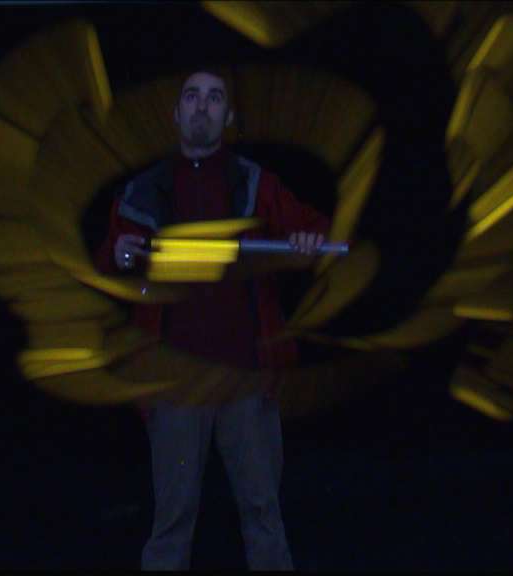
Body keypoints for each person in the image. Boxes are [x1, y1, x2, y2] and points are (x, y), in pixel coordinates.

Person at [94, 69, 330, 571]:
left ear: (228, 116)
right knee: (172, 523)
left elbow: (315, 230)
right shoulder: (143, 191)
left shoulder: (254, 183)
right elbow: (107, 264)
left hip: (247, 382)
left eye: (214, 97)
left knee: (264, 515)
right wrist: (118, 253)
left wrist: (309, 238)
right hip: (175, 387)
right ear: (176, 113)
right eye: (192, 97)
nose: (202, 106)